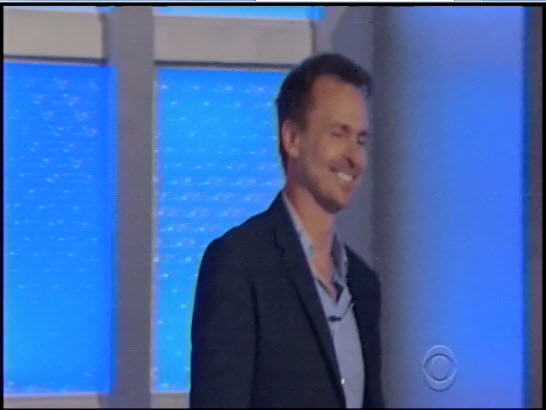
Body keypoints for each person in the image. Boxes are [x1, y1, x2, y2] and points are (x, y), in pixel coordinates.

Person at [190, 53, 384, 408]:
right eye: (338, 134)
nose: (354, 158)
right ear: (292, 138)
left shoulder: (363, 284)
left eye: (360, 140)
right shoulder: (239, 264)